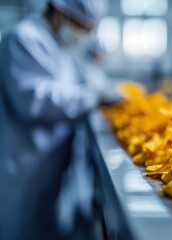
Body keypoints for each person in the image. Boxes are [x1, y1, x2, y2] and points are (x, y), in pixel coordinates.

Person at [0, 0, 108, 239]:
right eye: (82, 26)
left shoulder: (56, 45)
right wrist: (94, 97)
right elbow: (35, 101)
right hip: (22, 164)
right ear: (60, 11)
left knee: (43, 224)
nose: (84, 35)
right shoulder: (23, 39)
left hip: (47, 162)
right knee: (19, 228)